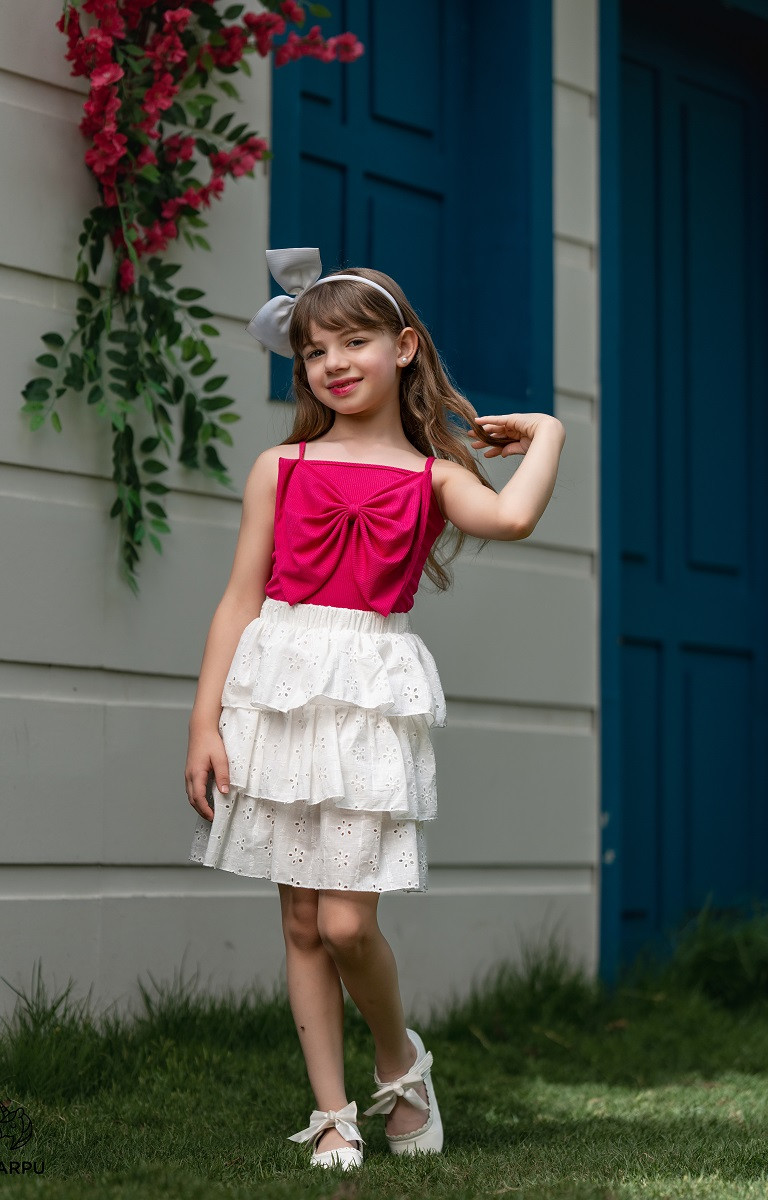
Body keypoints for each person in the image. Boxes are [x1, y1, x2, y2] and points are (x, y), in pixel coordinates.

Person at [185, 248, 566, 1170]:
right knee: (301, 923)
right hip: (276, 694)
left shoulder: (432, 478)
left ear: (402, 347)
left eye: (353, 342)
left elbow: (513, 518)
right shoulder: (280, 467)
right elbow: (238, 600)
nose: (333, 364)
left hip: (366, 700)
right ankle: (332, 1115)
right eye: (314, 352)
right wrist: (204, 723)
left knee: (349, 923)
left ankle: (401, 1065)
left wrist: (549, 430)